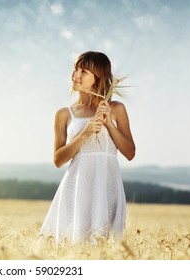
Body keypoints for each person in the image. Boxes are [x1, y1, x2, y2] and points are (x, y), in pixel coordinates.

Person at [40, 51, 135, 245]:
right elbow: (58, 160)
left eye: (84, 71)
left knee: (106, 245)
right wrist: (85, 133)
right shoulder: (64, 114)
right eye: (76, 69)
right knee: (73, 243)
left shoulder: (116, 108)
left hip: (107, 185)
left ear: (97, 77)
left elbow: (130, 153)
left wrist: (109, 124)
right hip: (77, 187)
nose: (76, 74)